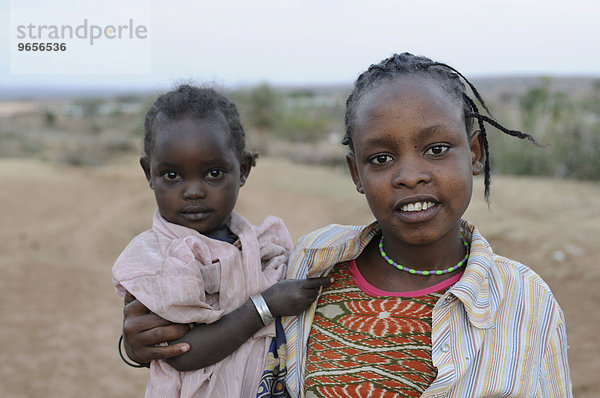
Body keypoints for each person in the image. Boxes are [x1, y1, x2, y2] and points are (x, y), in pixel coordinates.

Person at [122, 54, 572, 397]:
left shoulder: (523, 301)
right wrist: (143, 343)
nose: (410, 175)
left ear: (474, 153)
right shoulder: (311, 263)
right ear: (357, 173)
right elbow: (221, 322)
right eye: (381, 158)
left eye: (436, 149)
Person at [112, 85, 330, 398]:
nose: (193, 191)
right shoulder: (160, 258)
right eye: (172, 176)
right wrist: (264, 307)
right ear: (149, 173)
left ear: (242, 169)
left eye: (213, 173)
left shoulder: (261, 243)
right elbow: (182, 352)